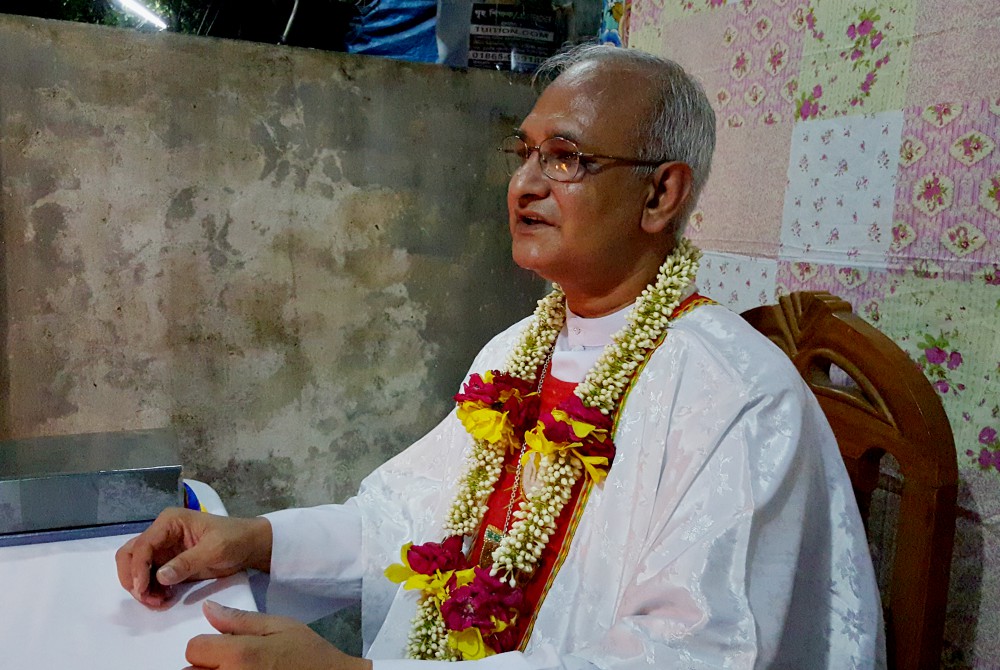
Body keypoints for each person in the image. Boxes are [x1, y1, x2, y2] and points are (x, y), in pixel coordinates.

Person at [116, 44, 885, 669]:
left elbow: (700, 654)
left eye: (565, 158)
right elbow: (412, 523)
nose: (522, 186)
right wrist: (255, 539)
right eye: (524, 153)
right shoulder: (518, 350)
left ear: (661, 196)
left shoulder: (738, 396)